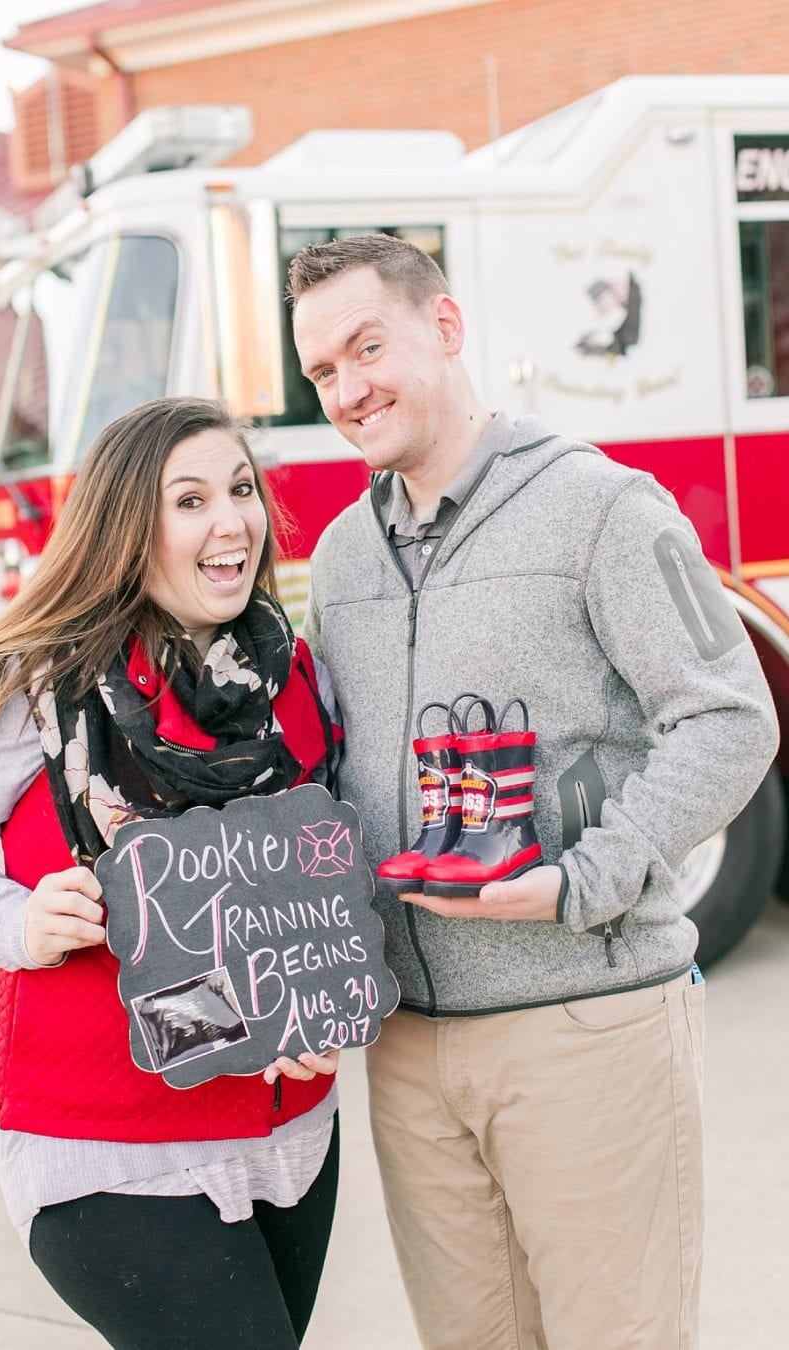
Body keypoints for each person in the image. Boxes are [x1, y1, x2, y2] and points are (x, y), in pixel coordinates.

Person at [289, 232, 777, 1349]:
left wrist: (582, 882)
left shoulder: (602, 506)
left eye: (369, 347)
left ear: (446, 327)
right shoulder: (344, 556)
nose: (349, 389)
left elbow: (730, 716)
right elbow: (336, 772)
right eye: (322, 371)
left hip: (584, 1028)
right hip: (409, 1050)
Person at [0, 397, 344, 1349]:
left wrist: (320, 1002)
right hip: (106, 1144)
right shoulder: (29, 683)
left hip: (286, 1128)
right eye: (189, 501)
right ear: (123, 525)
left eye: (240, 489)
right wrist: (20, 919)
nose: (231, 522)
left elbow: (312, 873)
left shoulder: (292, 673)